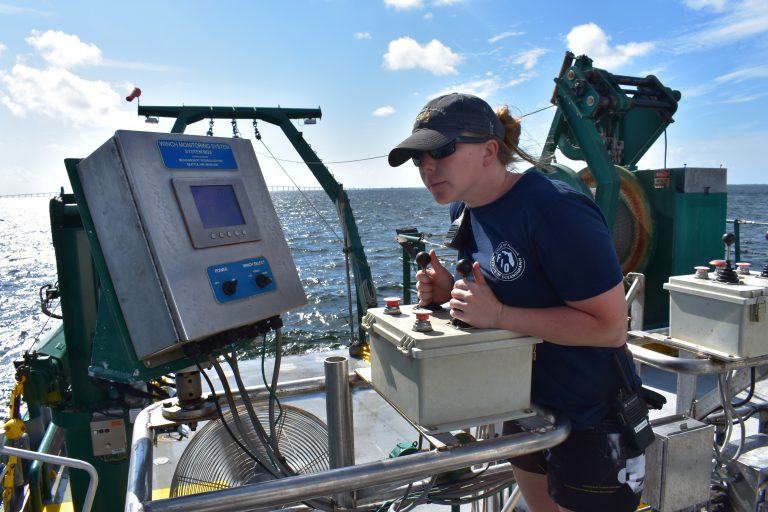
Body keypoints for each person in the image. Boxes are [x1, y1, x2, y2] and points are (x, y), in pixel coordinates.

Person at [388, 92, 645, 512]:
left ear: (490, 150)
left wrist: (500, 314)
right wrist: (450, 289)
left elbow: (610, 326)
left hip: (590, 415)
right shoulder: (465, 207)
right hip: (520, 402)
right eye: (419, 158)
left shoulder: (556, 210)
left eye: (442, 150)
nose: (427, 167)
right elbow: (504, 290)